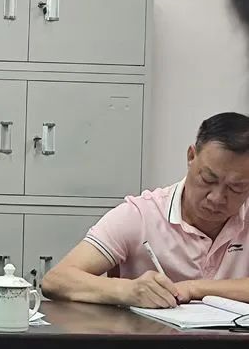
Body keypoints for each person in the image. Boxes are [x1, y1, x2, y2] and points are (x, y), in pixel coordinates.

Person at [42, 112, 249, 308]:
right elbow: (57, 280)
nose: (217, 198)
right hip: (146, 334)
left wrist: (194, 288)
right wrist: (128, 290)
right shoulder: (141, 215)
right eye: (208, 179)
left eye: (236, 187)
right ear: (191, 156)